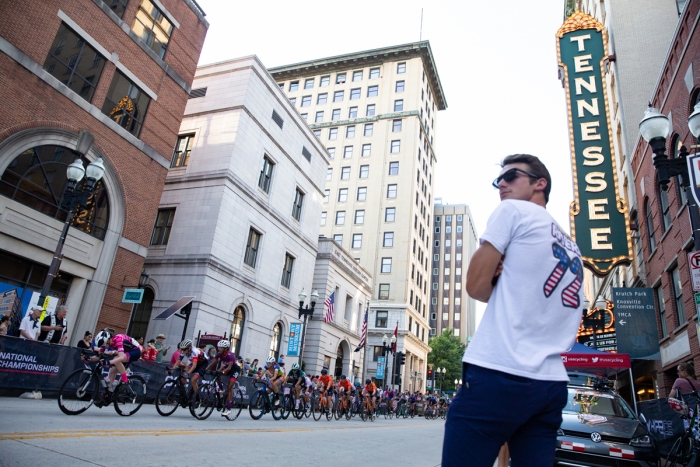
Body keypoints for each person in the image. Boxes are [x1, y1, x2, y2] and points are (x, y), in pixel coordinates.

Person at [442, 154, 583, 467]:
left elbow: (475, 286)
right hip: (550, 385)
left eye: (511, 176)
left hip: (500, 372)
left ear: (539, 183)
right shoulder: (572, 248)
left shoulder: (513, 211)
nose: (501, 184)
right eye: (498, 180)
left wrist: (493, 275)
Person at [206, 339, 240, 419]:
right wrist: (205, 370)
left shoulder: (230, 355)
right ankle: (221, 390)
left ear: (225, 349)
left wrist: (223, 372)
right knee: (217, 373)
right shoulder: (219, 354)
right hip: (226, 367)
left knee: (229, 388)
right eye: (219, 347)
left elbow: (229, 367)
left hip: (234, 369)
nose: (219, 349)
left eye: (221, 348)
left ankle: (228, 409)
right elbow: (212, 363)